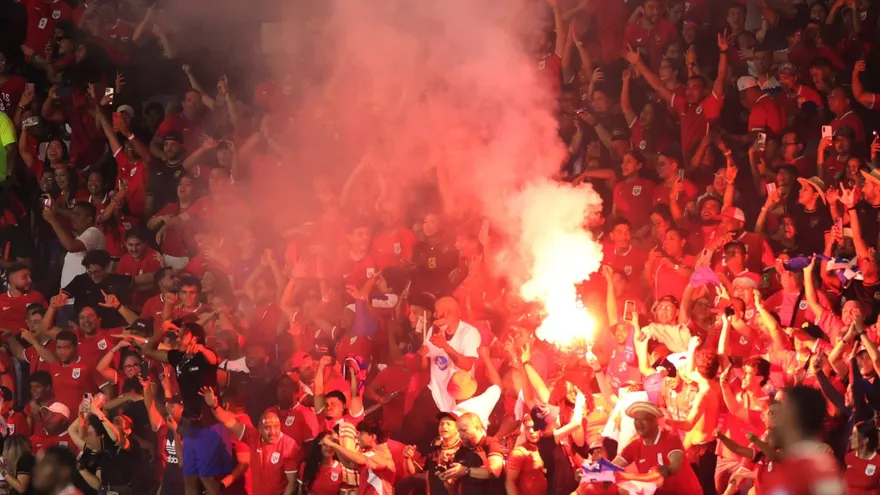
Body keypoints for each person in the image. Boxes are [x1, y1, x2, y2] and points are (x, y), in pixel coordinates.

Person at [142, 321, 230, 495]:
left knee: (207, 477)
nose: (178, 337)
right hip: (189, 421)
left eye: (183, 335)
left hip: (207, 422)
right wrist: (163, 328)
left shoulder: (204, 356)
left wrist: (202, 349)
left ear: (194, 338)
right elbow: (147, 350)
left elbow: (214, 360)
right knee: (188, 475)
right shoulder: (177, 357)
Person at [200, 387, 299, 495]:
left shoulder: (288, 445)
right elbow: (228, 421)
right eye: (268, 427)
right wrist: (214, 406)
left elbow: (292, 482)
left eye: (276, 427)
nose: (273, 432)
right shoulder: (253, 436)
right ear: (259, 428)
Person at [612, 401, 702, 495]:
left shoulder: (670, 438)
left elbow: (676, 463)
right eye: (636, 419)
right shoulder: (634, 444)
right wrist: (599, 468)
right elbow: (613, 465)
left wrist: (667, 470)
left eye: (643, 419)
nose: (639, 423)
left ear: (654, 421)